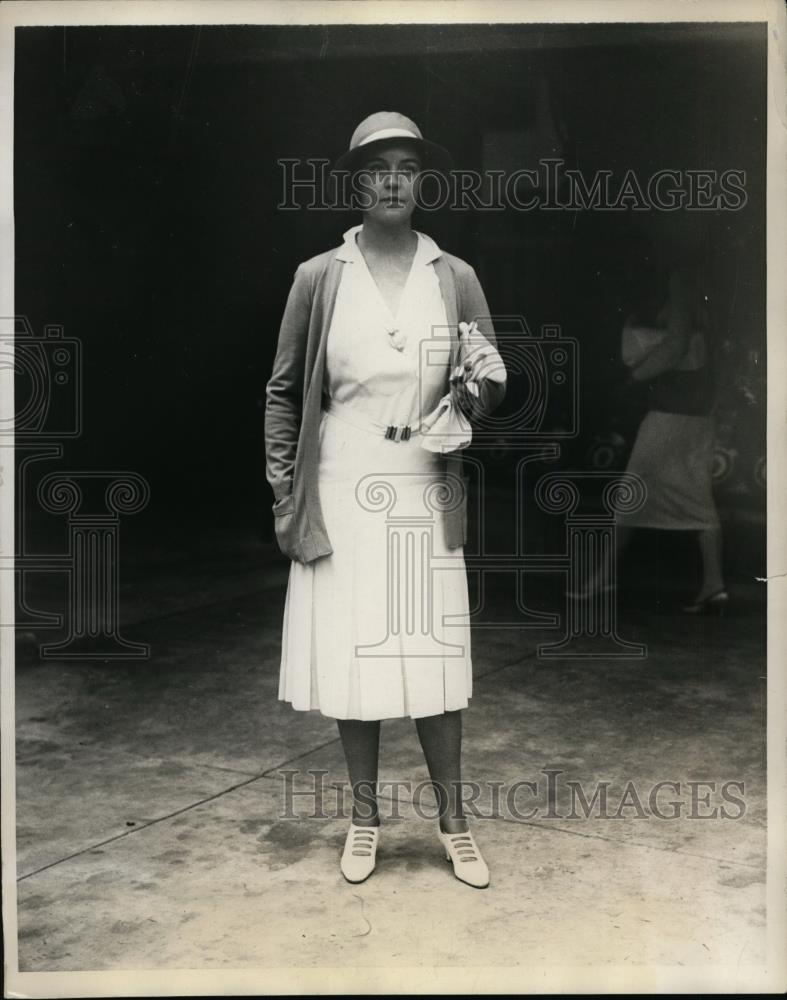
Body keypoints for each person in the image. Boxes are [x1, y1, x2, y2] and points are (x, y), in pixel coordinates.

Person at [264, 112, 506, 887]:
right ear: (356, 181)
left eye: (407, 166)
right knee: (354, 655)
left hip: (424, 480)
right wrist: (284, 497)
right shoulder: (319, 276)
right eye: (378, 168)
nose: (394, 180)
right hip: (339, 477)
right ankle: (363, 819)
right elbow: (282, 392)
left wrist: (481, 385)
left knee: (431, 654)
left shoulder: (453, 274)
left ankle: (454, 823)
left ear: (422, 180)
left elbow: (487, 388)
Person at [581, 253, 727, 614]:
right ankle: (714, 586)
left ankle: (604, 577)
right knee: (694, 499)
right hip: (696, 417)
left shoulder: (682, 278)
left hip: (671, 416)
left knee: (633, 494)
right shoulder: (704, 288)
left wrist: (633, 378)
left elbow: (674, 346)